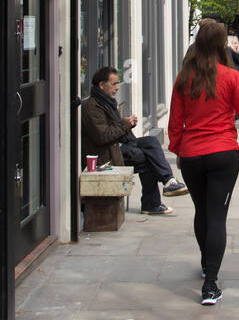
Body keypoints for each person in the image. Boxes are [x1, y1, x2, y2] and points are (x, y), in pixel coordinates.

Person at [169, 19, 239, 305]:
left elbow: (175, 122)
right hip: (223, 153)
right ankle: (211, 284)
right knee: (217, 216)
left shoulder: (184, 78)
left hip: (192, 155)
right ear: (222, 44)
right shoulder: (231, 77)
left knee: (202, 211)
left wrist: (178, 149)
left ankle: (205, 263)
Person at [80, 67, 187, 216]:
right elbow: (102, 136)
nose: (117, 87)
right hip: (105, 156)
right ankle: (152, 204)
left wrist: (127, 125)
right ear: (101, 85)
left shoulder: (107, 102)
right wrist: (125, 124)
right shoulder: (92, 107)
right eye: (114, 84)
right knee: (145, 158)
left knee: (150, 142)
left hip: (115, 146)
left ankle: (169, 181)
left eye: (118, 83)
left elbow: (115, 131)